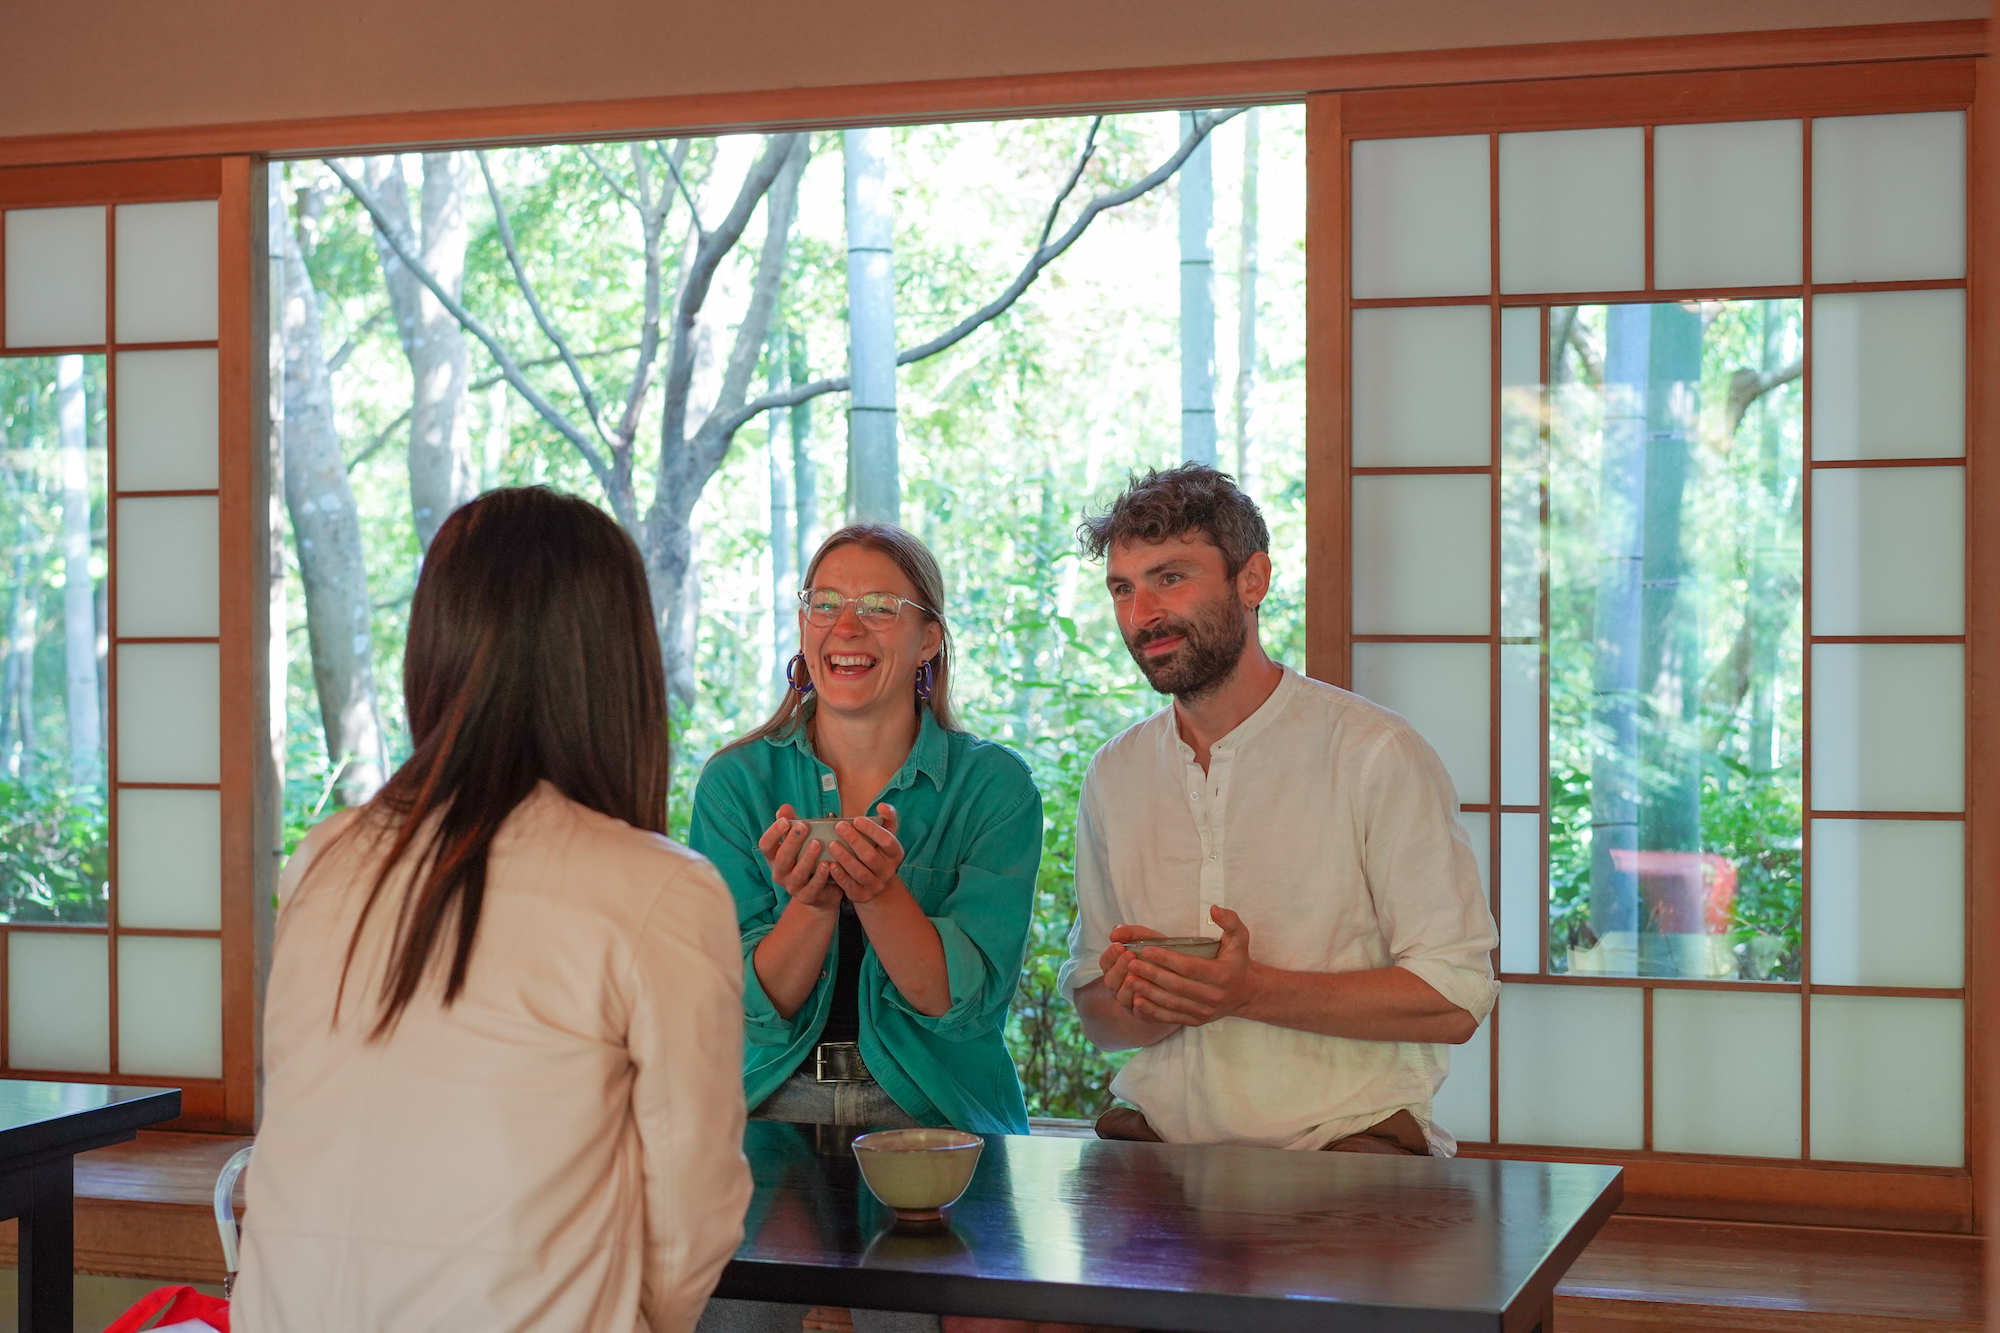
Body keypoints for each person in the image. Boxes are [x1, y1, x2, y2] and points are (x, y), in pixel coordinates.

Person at [236, 488, 750, 1333]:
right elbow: (693, 1221)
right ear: (616, 667)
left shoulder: (325, 857)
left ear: (436, 652)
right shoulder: (658, 891)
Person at [1060, 464, 1498, 1155]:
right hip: (1161, 1142)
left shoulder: (1374, 752)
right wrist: (1144, 999)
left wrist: (1249, 989)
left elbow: (1456, 996)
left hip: (1345, 1138)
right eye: (1123, 588)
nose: (1142, 615)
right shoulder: (1115, 772)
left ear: (1252, 580)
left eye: (1170, 577)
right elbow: (1100, 1015)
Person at [689, 524, 1042, 1333]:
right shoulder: (737, 783)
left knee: (922, 1318)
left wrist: (880, 894)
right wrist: (811, 906)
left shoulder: (992, 786)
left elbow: (962, 1003)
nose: (846, 628)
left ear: (928, 639)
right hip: (764, 1113)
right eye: (825, 604)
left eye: (880, 607)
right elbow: (740, 1003)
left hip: (935, 1122)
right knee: (730, 1309)